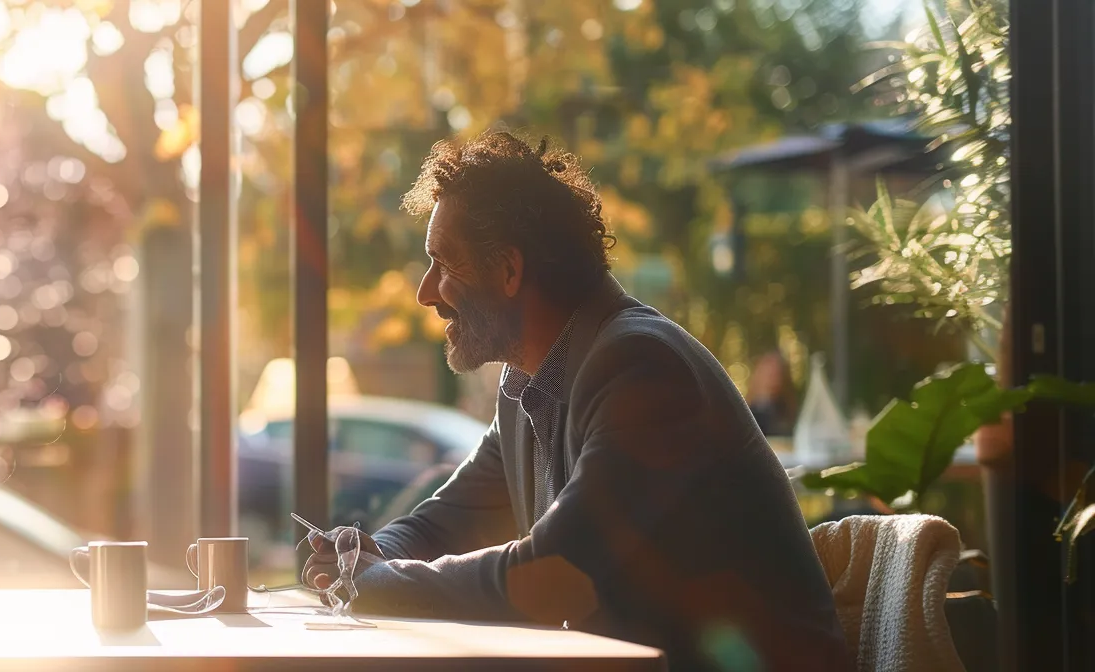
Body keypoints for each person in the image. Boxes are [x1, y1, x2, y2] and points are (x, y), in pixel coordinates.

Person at [300, 133, 848, 672]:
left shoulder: (642, 368)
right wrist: (361, 553)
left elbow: (556, 575)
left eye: (444, 263)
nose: (425, 291)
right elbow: (444, 524)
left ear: (510, 271)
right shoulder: (526, 389)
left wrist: (374, 583)